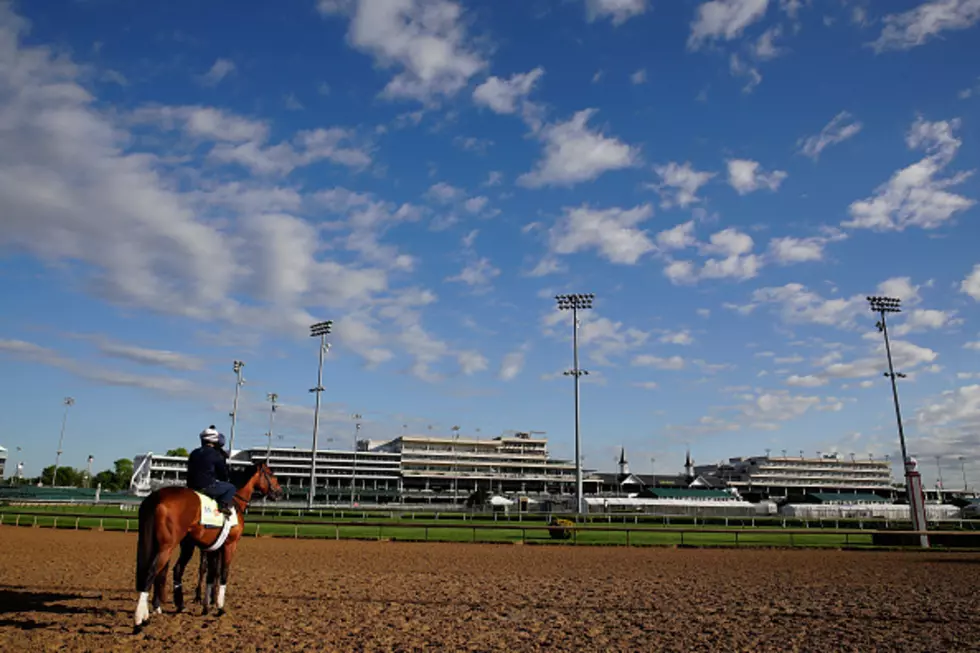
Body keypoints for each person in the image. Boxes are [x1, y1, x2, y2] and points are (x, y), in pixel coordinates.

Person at [187, 426, 235, 516]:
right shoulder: (216, 454)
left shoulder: (194, 452)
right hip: (207, 486)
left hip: (191, 486)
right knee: (231, 487)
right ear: (215, 441)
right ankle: (222, 507)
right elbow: (223, 475)